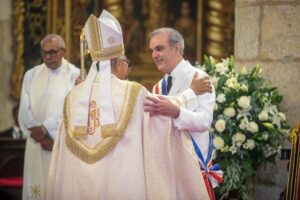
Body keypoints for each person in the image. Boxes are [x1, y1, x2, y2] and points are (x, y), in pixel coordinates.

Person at [46, 10, 210, 200]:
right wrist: (191, 93)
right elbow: (163, 112)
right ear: (118, 64)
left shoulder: (72, 97)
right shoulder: (133, 92)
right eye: (126, 61)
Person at [145, 27, 221, 200]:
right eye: (152, 51)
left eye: (159, 48)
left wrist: (178, 113)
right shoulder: (157, 87)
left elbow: (204, 121)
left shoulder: (199, 78)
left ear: (176, 48)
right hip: (167, 168)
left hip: (192, 167)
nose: (154, 55)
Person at [18, 33, 79, 200]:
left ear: (63, 51)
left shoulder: (75, 76)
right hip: (36, 143)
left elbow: (73, 110)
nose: (47, 57)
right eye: (44, 53)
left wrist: (47, 130)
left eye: (52, 52)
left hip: (59, 144)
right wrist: (36, 132)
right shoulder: (31, 75)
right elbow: (25, 109)